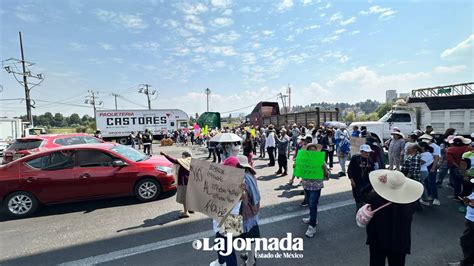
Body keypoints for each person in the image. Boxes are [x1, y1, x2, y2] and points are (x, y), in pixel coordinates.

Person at [365, 170, 423, 266]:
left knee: (376, 262)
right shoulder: (410, 202)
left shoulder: (375, 197)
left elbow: (361, 194)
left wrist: (374, 184)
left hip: (377, 238)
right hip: (400, 240)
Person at [236, 155, 261, 265]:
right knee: (250, 237)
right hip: (253, 211)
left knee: (247, 237)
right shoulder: (250, 175)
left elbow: (244, 200)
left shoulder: (243, 179)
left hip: (245, 212)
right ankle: (250, 256)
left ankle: (251, 261)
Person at [300, 143, 330, 238]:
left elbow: (327, 172)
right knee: (309, 202)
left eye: (314, 150)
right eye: (310, 150)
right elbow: (299, 169)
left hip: (316, 186)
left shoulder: (320, 159)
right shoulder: (304, 159)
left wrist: (325, 169)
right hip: (306, 184)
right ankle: (312, 218)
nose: (312, 151)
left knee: (313, 204)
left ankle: (312, 226)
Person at [160, 151, 193, 219]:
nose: (181, 157)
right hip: (192, 182)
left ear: (185, 156)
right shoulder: (192, 161)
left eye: (182, 155)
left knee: (184, 198)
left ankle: (186, 212)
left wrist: (165, 154)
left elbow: (173, 160)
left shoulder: (184, 161)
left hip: (184, 181)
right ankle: (191, 209)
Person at [348, 144, 375, 210]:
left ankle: (364, 209)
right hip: (356, 181)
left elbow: (373, 171)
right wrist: (352, 180)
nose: (367, 154)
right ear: (361, 152)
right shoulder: (355, 158)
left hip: (367, 182)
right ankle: (359, 211)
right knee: (357, 198)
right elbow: (350, 170)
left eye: (369, 152)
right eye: (365, 152)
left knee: (366, 197)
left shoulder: (370, 160)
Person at [447, 136, 472, 203]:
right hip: (467, 168)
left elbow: (451, 161)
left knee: (457, 183)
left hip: (455, 168)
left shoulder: (450, 150)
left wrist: (458, 167)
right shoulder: (468, 148)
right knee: (466, 184)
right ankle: (466, 197)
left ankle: (457, 196)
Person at [419, 134, 441, 206]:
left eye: (426, 139)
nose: (424, 140)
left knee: (432, 182)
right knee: (426, 181)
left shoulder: (435, 147)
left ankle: (436, 198)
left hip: (431, 166)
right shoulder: (422, 145)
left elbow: (436, 158)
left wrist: (433, 168)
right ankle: (430, 195)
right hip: (425, 166)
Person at [418, 141, 434, 206]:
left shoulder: (427, 154)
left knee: (420, 185)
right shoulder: (424, 153)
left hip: (422, 171)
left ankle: (425, 199)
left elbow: (420, 162)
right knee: (420, 184)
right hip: (422, 171)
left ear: (423, 147)